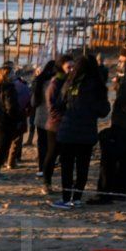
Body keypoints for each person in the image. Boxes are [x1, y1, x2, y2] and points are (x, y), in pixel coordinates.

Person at [90, 40, 126, 203]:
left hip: (125, 121)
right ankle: (120, 191)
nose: (120, 58)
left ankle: (106, 193)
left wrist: (120, 98)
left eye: (122, 54)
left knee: (112, 158)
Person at [49, 55, 110, 209]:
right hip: (87, 131)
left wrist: (67, 115)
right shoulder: (98, 86)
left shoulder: (70, 82)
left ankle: (65, 198)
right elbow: (104, 111)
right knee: (83, 167)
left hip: (68, 131)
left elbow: (58, 104)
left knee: (67, 167)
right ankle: (76, 198)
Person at [42, 55, 74, 194]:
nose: (71, 70)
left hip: (69, 125)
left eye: (73, 67)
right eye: (69, 67)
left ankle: (66, 185)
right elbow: (52, 108)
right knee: (52, 154)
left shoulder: (72, 81)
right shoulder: (55, 83)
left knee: (67, 156)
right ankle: (46, 183)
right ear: (61, 67)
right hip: (55, 126)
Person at [0, 66, 25, 179]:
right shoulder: (9, 88)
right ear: (6, 75)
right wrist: (16, 118)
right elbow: (11, 107)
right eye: (11, 74)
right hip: (6, 121)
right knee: (3, 147)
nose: (14, 75)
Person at [31, 61, 56, 176]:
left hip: (40, 118)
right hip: (52, 119)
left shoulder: (39, 82)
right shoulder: (55, 84)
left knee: (42, 144)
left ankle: (41, 168)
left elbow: (33, 102)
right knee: (51, 146)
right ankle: (47, 168)